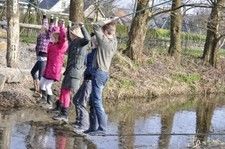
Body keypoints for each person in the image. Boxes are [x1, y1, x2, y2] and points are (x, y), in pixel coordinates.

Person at [84, 18, 118, 135]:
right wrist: (112, 23)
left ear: (104, 32)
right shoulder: (114, 43)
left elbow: (96, 26)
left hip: (99, 73)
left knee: (97, 101)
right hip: (103, 74)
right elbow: (112, 32)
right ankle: (92, 127)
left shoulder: (104, 42)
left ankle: (102, 129)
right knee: (92, 101)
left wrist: (109, 19)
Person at [52, 22, 90, 123]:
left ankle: (78, 119)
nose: (70, 35)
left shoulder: (82, 42)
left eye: (71, 33)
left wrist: (83, 26)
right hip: (69, 71)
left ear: (75, 34)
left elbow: (88, 39)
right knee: (64, 91)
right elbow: (66, 37)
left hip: (75, 72)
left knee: (74, 96)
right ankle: (63, 112)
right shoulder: (73, 41)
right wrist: (67, 26)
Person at [39, 19, 68, 109]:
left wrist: (62, 27)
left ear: (58, 38)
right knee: (41, 83)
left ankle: (49, 102)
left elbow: (63, 38)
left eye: (54, 37)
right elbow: (51, 32)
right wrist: (55, 25)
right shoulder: (52, 45)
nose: (52, 39)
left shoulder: (61, 46)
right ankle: (43, 99)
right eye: (52, 37)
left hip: (54, 70)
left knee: (48, 85)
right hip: (48, 68)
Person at [73, 33, 97, 133]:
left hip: (90, 81)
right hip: (86, 80)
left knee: (81, 103)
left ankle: (84, 125)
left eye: (92, 41)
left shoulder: (97, 54)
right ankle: (79, 121)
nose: (90, 43)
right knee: (75, 99)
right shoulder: (90, 53)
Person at [31, 15, 51, 96]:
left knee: (41, 76)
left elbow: (47, 27)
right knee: (33, 72)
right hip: (39, 57)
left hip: (44, 58)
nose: (42, 27)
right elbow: (37, 45)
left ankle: (41, 93)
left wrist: (45, 18)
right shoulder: (40, 35)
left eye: (44, 25)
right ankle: (37, 88)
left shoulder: (47, 35)